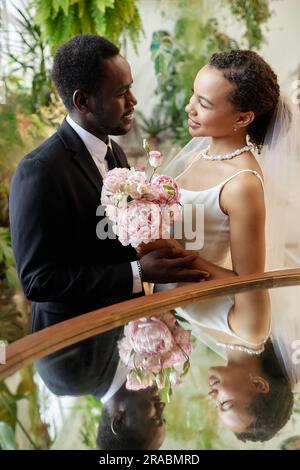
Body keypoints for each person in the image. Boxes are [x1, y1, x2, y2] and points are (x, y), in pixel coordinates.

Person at [9, 34, 209, 335]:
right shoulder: (39, 171)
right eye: (121, 92)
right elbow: (39, 281)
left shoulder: (113, 151)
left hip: (123, 330)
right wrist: (137, 272)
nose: (133, 101)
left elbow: (112, 241)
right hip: (72, 346)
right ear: (83, 101)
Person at [154, 49, 300, 280]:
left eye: (203, 103)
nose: (188, 108)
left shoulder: (243, 184)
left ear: (242, 118)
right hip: (161, 294)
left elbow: (247, 282)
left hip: (201, 307)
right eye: (194, 95)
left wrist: (171, 250)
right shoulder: (195, 157)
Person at [175, 288, 294, 442]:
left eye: (217, 406)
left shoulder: (227, 339)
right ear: (258, 384)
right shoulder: (252, 329)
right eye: (225, 403)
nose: (212, 396)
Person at [36, 328, 165, 450]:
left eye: (154, 418)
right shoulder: (145, 353)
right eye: (163, 418)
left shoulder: (67, 373)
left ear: (119, 421)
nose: (162, 406)